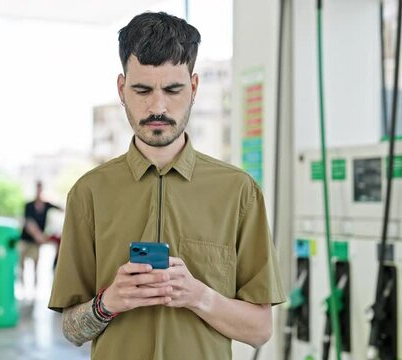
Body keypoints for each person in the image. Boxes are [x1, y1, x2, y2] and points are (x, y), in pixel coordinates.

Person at [48, 12, 286, 360]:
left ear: (193, 88)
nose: (157, 106)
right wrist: (109, 301)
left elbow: (260, 330)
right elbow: (71, 329)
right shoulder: (89, 194)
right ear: (121, 89)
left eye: (172, 89)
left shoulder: (239, 192)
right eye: (142, 89)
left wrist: (198, 295)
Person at [19, 181, 61, 293]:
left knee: (36, 264)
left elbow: (61, 208)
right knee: (22, 264)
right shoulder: (29, 205)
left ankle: (34, 289)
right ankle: (23, 289)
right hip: (25, 239)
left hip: (36, 243)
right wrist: (38, 235)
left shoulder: (46, 205)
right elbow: (29, 223)